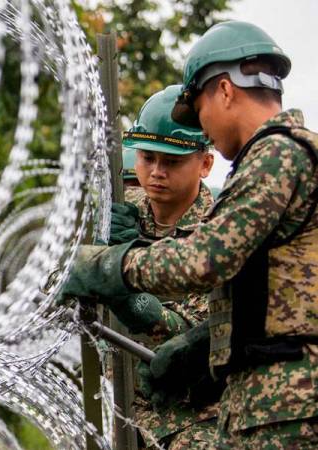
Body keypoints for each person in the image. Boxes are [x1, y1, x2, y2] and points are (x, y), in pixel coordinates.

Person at [63, 21, 318, 448]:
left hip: (285, 404)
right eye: (148, 158)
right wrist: (202, 343)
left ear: (223, 91)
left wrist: (110, 265)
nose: (207, 130)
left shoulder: (277, 152)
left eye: (198, 111)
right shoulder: (284, 154)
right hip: (266, 404)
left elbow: (205, 258)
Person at [108, 85, 217, 449]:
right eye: (147, 158)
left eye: (171, 162)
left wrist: (130, 295)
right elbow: (60, 287)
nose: (156, 172)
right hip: (118, 408)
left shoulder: (224, 231)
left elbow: (197, 333)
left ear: (204, 164)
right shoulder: (119, 213)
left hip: (194, 420)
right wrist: (99, 249)